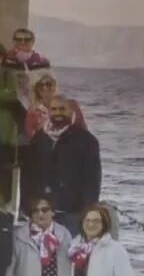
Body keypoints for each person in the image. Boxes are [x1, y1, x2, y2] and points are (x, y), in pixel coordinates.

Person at [25, 96, 101, 234]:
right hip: (44, 211)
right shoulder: (39, 138)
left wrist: (88, 209)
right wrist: (29, 205)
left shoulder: (86, 140)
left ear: (71, 111)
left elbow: (93, 179)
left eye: (62, 109)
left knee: (69, 252)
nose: (58, 113)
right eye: (54, 109)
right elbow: (30, 174)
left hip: (73, 212)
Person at [23, 73, 87, 140]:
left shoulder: (72, 105)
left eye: (49, 84)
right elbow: (30, 135)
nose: (45, 87)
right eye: (41, 85)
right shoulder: (33, 110)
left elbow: (84, 129)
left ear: (55, 86)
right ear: (37, 89)